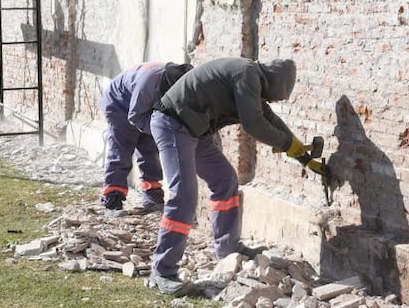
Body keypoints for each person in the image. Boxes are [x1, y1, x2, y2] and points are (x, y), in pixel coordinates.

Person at [147, 57, 327, 296]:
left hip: (196, 130)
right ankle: (162, 270)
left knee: (225, 181)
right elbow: (254, 124)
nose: (269, 101)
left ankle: (228, 247)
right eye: (272, 96)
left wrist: (302, 155)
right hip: (173, 124)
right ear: (272, 82)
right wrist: (287, 143)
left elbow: (269, 118)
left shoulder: (251, 79)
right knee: (184, 197)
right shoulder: (247, 74)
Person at [100, 61, 193, 213]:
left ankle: (153, 197)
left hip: (144, 105)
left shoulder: (180, 77)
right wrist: (161, 131)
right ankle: (112, 200)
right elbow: (135, 116)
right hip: (119, 104)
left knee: (149, 150)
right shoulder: (148, 84)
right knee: (121, 149)